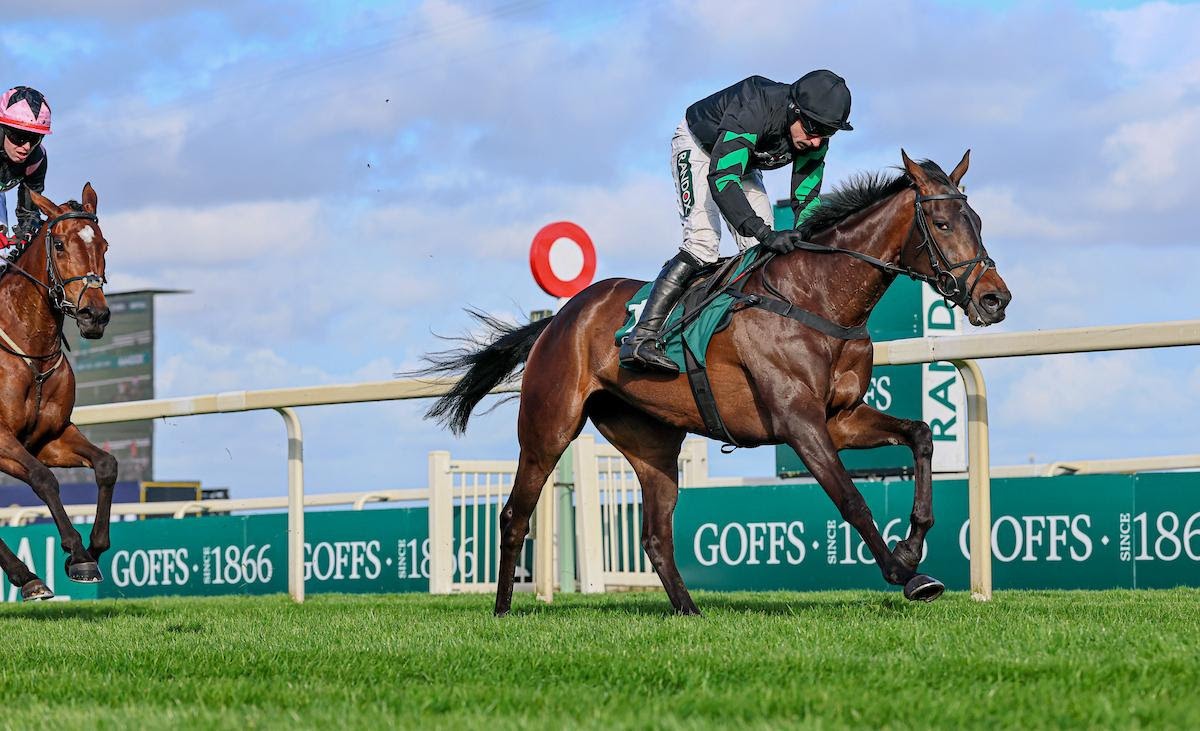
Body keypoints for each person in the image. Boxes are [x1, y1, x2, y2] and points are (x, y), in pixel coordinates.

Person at [619, 70, 853, 373]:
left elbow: (807, 198)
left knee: (758, 253)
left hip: (741, 162)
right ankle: (641, 337)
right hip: (700, 149)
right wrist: (766, 233)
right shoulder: (755, 107)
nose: (816, 140)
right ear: (794, 109)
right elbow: (722, 178)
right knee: (703, 243)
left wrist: (808, 240)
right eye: (812, 129)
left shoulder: (815, 135)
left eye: (827, 133)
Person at [0, 85, 51, 263]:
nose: (26, 147)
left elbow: (29, 211)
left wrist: (26, 232)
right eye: (19, 136)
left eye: (34, 138)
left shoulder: (37, 158)